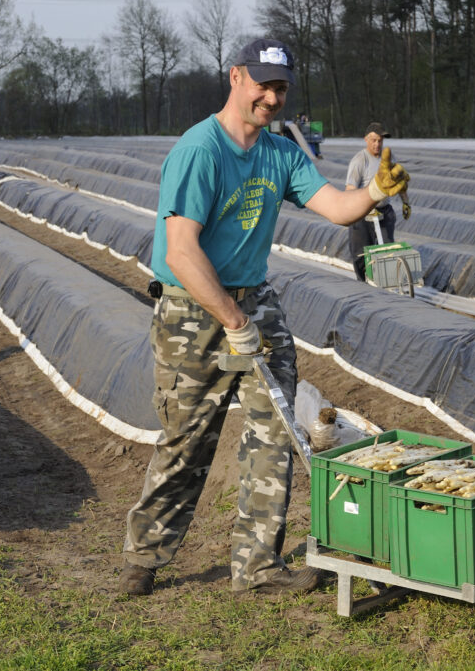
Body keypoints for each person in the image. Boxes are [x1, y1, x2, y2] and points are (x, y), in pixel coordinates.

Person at [119, 38, 408, 597]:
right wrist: (231, 319)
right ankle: (144, 554)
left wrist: (374, 190)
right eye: (262, 84)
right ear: (235, 78)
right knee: (188, 439)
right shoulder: (200, 151)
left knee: (275, 432)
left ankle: (256, 568)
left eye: (280, 88)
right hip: (192, 309)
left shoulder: (279, 154)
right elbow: (181, 252)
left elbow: (334, 205)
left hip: (254, 301)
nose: (271, 98)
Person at [345, 122, 409, 281]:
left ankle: (387, 283)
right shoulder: (360, 160)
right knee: (360, 254)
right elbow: (350, 189)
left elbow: (398, 183)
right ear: (366, 140)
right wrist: (364, 204)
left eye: (380, 141)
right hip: (362, 214)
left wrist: (406, 202)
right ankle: (364, 285)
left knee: (387, 249)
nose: (377, 144)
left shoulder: (389, 159)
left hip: (383, 211)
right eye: (373, 140)